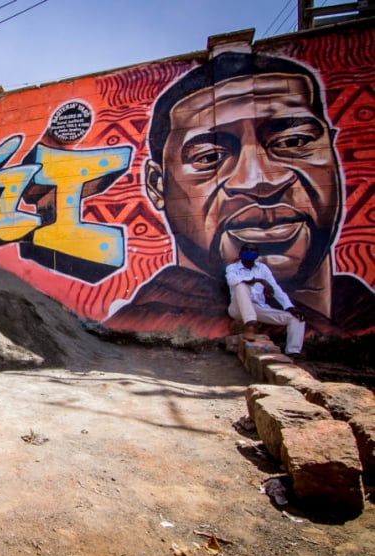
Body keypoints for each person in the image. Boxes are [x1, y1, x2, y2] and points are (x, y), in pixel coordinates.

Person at [105, 51, 374, 338]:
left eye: (294, 142)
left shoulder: (358, 308)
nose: (259, 182)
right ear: (157, 185)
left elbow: (278, 294)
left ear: (332, 153)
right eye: (209, 157)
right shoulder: (153, 316)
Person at [226, 243, 307, 357]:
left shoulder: (262, 268)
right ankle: (250, 327)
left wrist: (289, 306)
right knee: (241, 286)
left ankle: (293, 351)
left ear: (257, 254)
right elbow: (232, 281)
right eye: (246, 249)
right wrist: (261, 281)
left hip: (257, 309)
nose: (249, 252)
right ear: (240, 253)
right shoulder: (232, 268)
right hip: (237, 308)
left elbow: (275, 288)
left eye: (252, 250)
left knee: (296, 318)